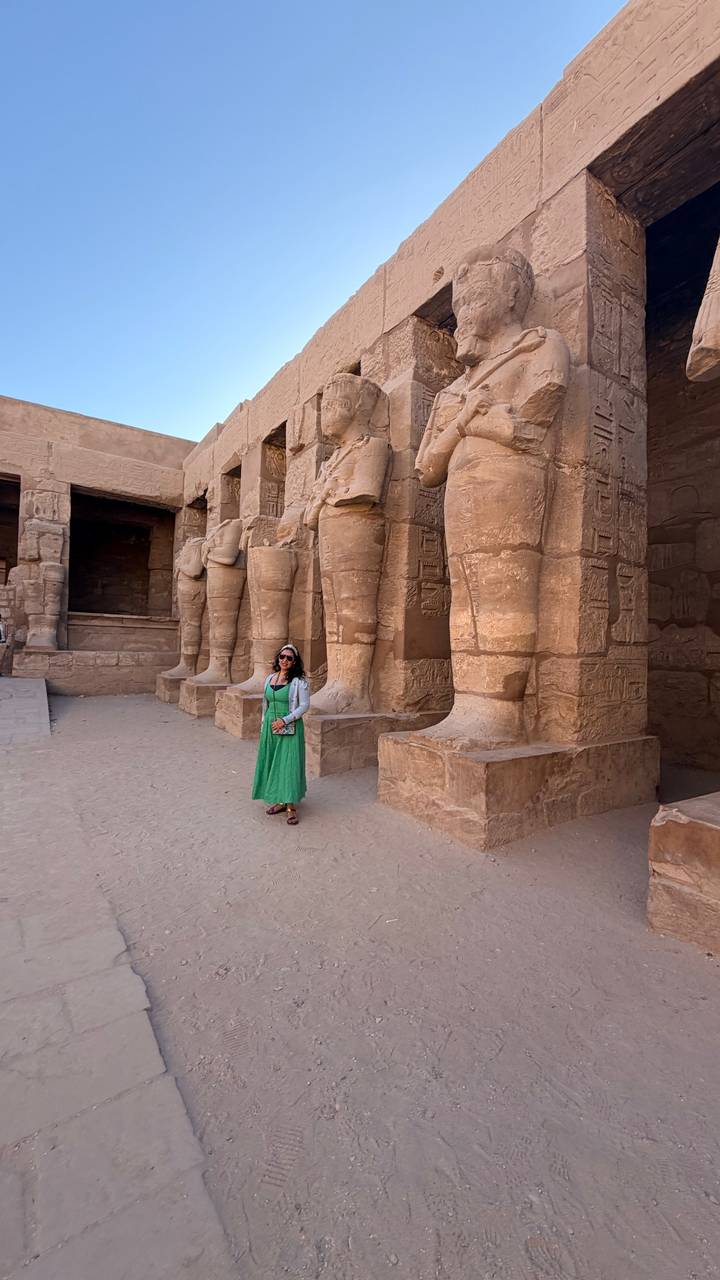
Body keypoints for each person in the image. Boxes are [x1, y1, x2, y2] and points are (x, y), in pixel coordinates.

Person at [251, 644, 310, 825]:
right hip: (271, 726)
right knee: (272, 762)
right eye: (282, 657)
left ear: (294, 662)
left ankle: (290, 806)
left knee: (288, 764)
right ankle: (280, 800)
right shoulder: (270, 678)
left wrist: (285, 720)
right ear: (278, 659)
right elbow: (265, 704)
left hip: (289, 725)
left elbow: (304, 706)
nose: (285, 660)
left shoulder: (299, 682)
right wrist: (264, 725)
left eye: (289, 658)